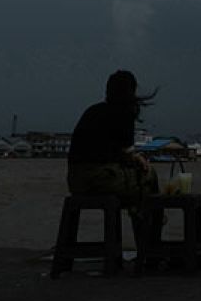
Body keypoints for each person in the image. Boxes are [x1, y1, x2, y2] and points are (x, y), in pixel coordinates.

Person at [66, 69, 160, 208]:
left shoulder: (92, 111)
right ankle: (149, 223)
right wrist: (137, 158)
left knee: (137, 187)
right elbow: (127, 154)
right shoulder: (124, 113)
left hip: (76, 182)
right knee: (149, 176)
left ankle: (141, 213)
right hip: (100, 180)